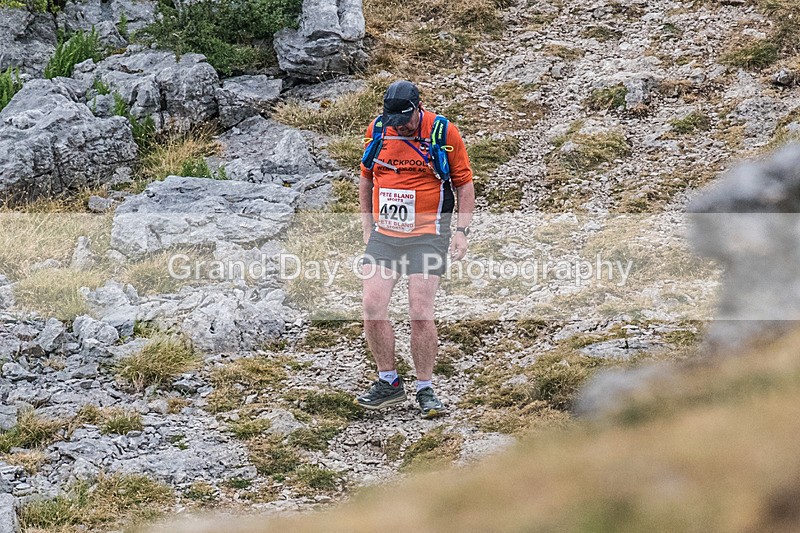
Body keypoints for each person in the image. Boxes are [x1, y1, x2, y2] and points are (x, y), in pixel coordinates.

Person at [356, 80, 475, 418]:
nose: (400, 128)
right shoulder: (378, 130)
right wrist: (367, 224)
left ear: (418, 108)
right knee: (372, 303)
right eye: (394, 122)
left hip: (429, 234)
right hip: (385, 234)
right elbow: (366, 176)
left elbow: (464, 184)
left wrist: (461, 231)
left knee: (419, 309)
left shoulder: (443, 132)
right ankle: (388, 381)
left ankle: (425, 388)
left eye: (405, 122)